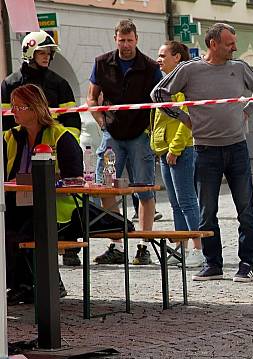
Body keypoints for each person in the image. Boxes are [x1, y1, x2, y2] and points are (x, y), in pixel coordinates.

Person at [152, 23, 253, 282]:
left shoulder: (239, 68)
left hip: (237, 148)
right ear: (213, 44)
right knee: (207, 211)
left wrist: (247, 112)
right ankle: (212, 263)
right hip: (205, 151)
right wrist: (183, 118)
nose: (234, 48)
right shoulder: (190, 69)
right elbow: (158, 93)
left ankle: (247, 263)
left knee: (246, 209)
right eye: (229, 44)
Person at [2, 31, 83, 267]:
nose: (47, 57)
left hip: (54, 162)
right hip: (21, 162)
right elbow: (6, 121)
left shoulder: (59, 83)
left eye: (49, 53)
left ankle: (67, 247)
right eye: (41, 52)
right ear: (29, 53)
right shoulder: (10, 84)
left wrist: (66, 144)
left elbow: (72, 121)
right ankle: (24, 283)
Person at [87, 19, 162, 265]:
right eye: (122, 40)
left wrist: (150, 128)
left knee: (144, 188)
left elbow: (160, 101)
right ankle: (116, 242)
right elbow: (91, 98)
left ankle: (143, 244)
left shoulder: (150, 67)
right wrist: (102, 124)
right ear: (115, 39)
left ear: (136, 39)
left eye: (130, 40)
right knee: (106, 188)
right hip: (112, 136)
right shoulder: (102, 63)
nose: (126, 44)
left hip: (140, 135)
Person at [3, 84, 82, 304]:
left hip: (57, 208)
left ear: (36, 108)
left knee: (22, 234)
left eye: (20, 107)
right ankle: (21, 284)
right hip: (19, 202)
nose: (14, 111)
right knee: (5, 230)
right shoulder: (11, 137)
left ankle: (32, 284)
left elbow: (75, 178)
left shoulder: (61, 136)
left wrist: (51, 181)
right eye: (13, 106)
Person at [151, 41, 204, 268]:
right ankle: (180, 247)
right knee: (175, 203)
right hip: (164, 149)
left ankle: (198, 250)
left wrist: (175, 148)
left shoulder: (182, 85)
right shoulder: (164, 83)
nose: (159, 59)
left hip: (180, 149)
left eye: (163, 55)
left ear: (177, 58)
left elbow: (186, 120)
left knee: (188, 201)